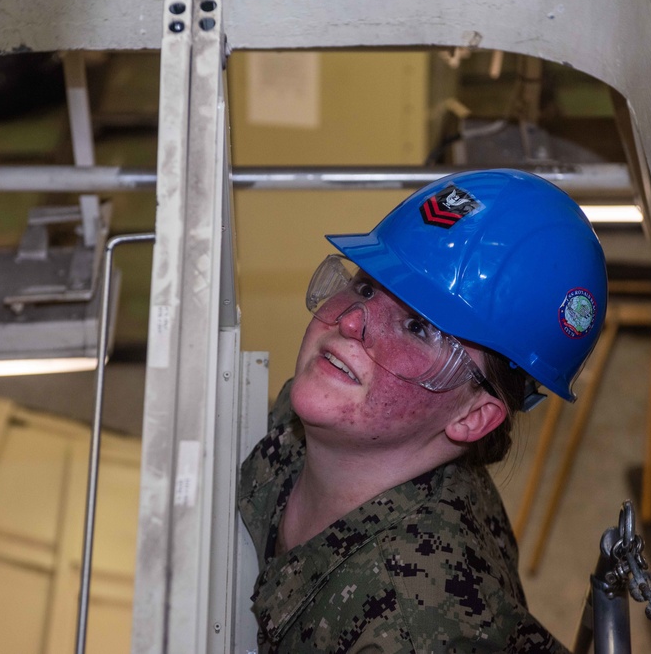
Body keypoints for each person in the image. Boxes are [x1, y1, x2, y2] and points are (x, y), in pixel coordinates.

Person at [238, 169, 607, 653]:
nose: (350, 321)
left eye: (416, 328)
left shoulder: (417, 625)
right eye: (366, 288)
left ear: (473, 416)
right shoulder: (327, 414)